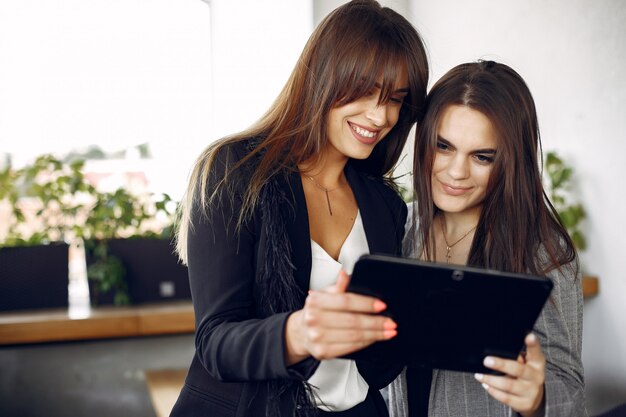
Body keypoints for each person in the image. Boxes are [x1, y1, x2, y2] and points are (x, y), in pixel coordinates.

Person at [169, 1, 429, 416]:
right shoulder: (233, 172)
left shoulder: (385, 205)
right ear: (324, 77)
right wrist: (298, 335)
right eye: (364, 90)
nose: (380, 115)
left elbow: (380, 364)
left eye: (396, 99)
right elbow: (216, 342)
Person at [388, 61, 586, 417]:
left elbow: (570, 393)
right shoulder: (402, 223)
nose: (456, 172)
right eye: (443, 146)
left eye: (482, 156)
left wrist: (537, 398)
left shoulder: (543, 251)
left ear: (510, 162)